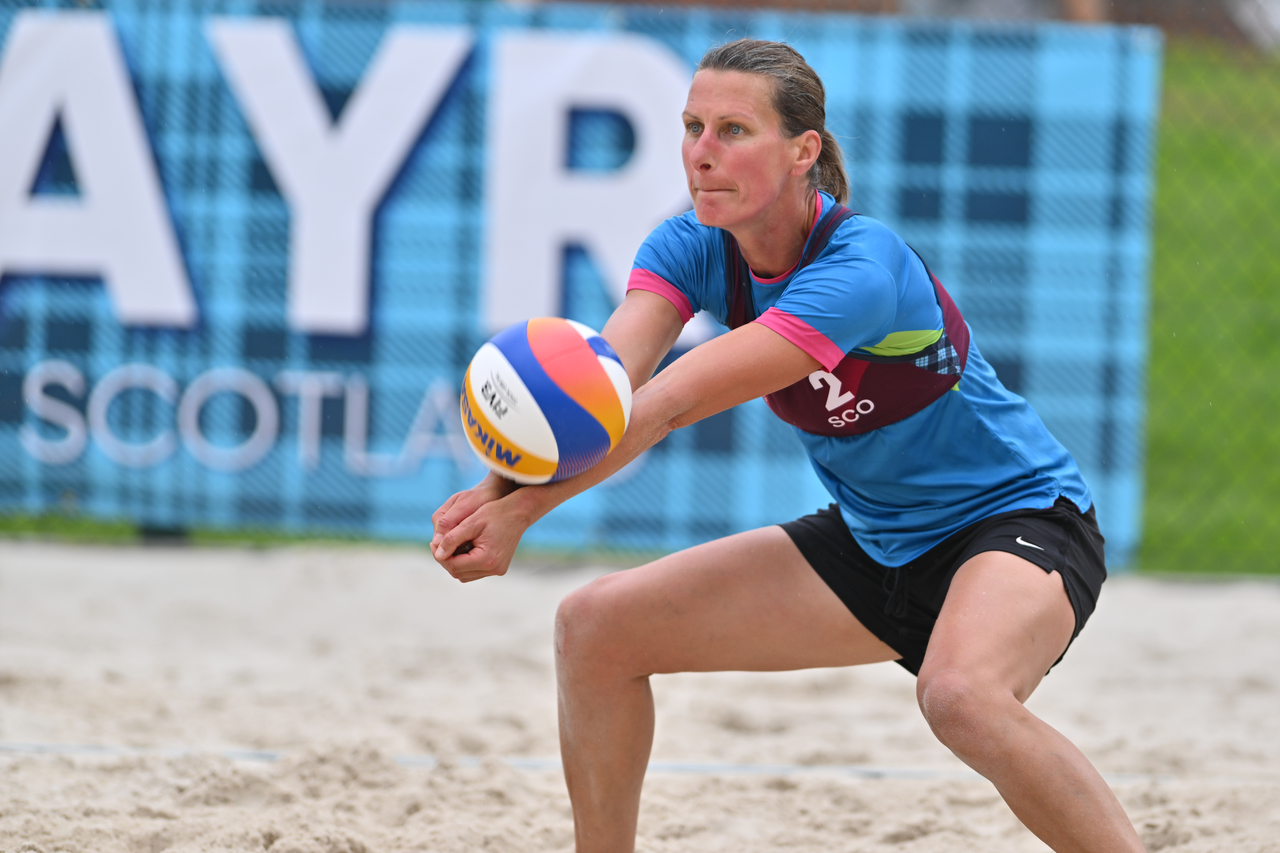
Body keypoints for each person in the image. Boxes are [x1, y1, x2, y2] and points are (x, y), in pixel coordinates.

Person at [432, 38, 1144, 853]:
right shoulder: (687, 247)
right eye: (693, 126)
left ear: (804, 151)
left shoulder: (863, 267)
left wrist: (522, 513)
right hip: (877, 542)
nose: (701, 154)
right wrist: (494, 491)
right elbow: (603, 396)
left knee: (961, 696)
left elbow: (664, 406)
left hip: (1018, 521)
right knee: (594, 628)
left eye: (733, 130)